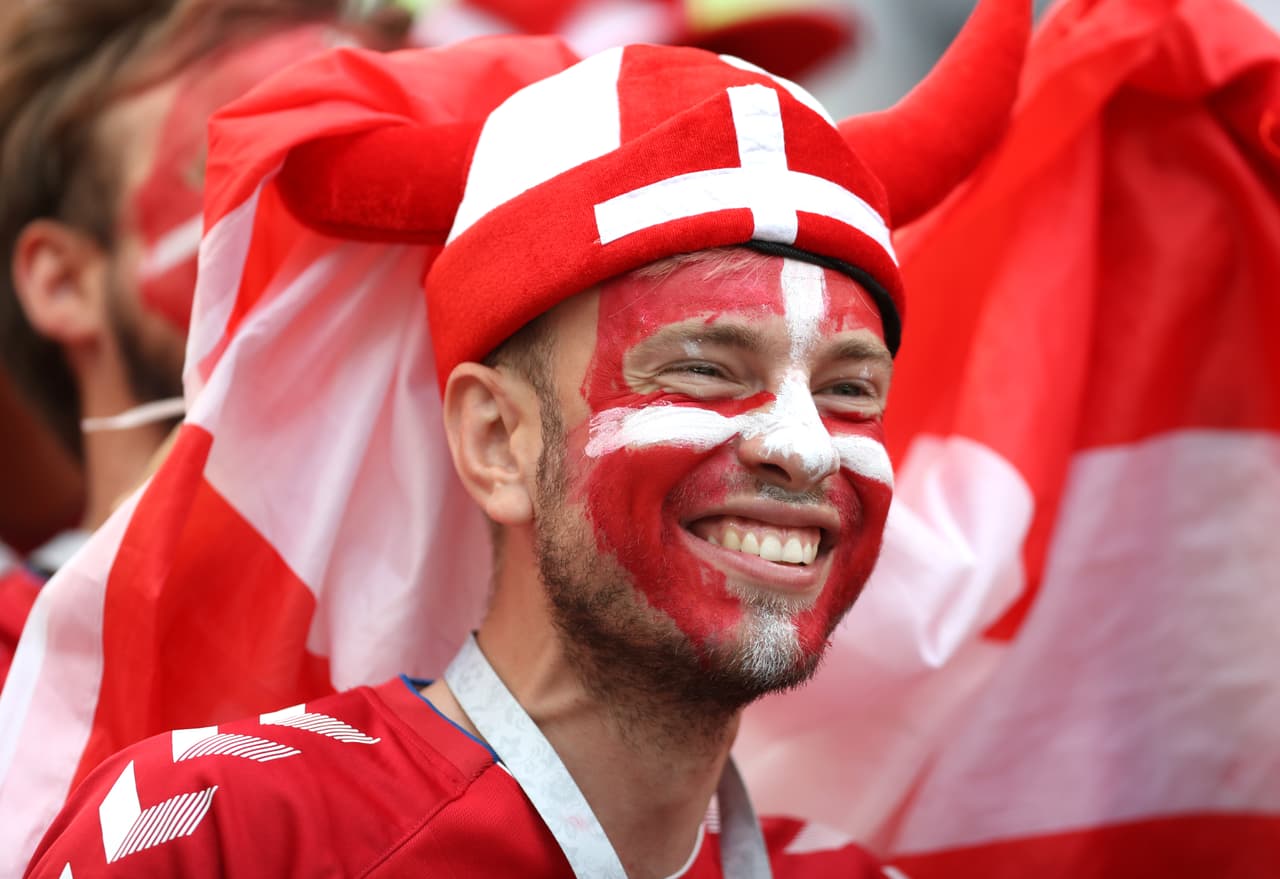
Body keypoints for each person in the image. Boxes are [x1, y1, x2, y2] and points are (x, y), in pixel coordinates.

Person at [23, 0, 1029, 874]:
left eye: (849, 391)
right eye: (704, 370)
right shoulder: (215, 838)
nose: (803, 449)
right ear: (495, 439)